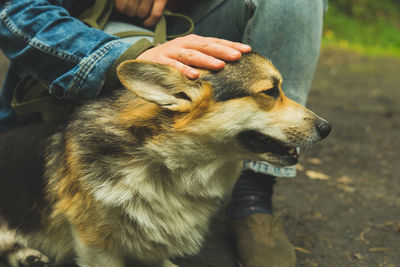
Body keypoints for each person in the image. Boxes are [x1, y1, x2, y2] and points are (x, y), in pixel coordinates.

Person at [0, 0, 327, 266]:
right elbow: (13, 9)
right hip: (86, 33)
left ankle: (253, 198)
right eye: (271, 93)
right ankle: (109, 210)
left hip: (187, 17)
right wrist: (124, 55)